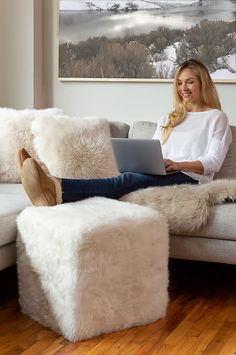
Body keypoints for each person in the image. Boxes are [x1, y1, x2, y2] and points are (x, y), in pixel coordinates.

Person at [18, 59, 232, 207]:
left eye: (189, 82)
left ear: (202, 83)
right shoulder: (169, 118)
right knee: (122, 177)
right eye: (179, 83)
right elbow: (154, 151)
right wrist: (149, 162)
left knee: (127, 180)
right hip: (164, 171)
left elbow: (213, 162)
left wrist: (178, 164)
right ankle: (50, 189)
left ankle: (55, 185)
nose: (183, 88)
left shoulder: (216, 118)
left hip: (192, 177)